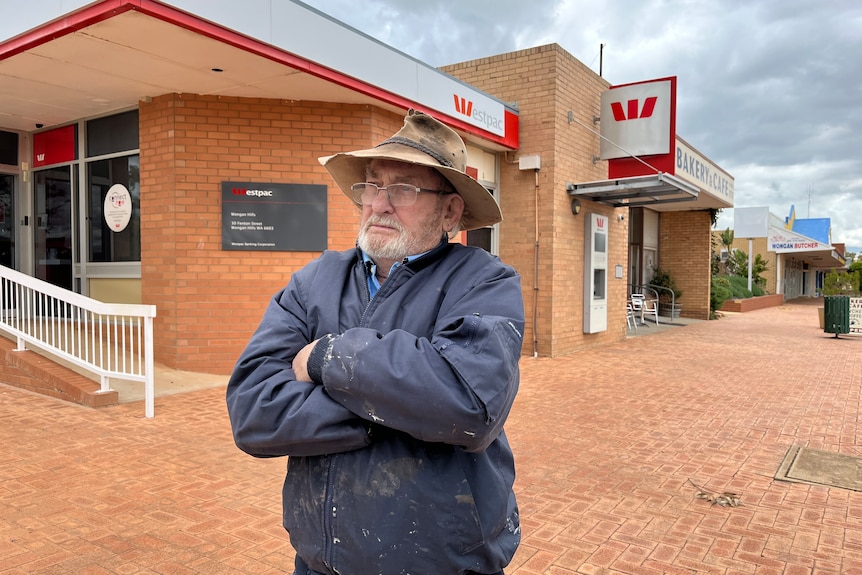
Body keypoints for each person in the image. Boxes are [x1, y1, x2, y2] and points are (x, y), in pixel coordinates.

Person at [226, 109, 525, 575]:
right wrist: (398, 410)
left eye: (404, 188)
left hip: (444, 565)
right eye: (371, 185)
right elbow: (252, 411)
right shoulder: (313, 282)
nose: (379, 204)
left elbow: (469, 405)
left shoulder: (484, 282)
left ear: (450, 211)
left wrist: (328, 357)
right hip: (320, 564)